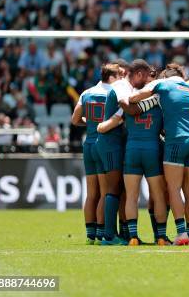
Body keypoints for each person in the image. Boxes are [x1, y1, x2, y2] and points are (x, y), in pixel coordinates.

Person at [129, 63, 189, 246]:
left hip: (175, 140)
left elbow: (134, 98)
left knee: (174, 188)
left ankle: (181, 233)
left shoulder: (162, 84)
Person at [99, 66, 170, 246]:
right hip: (152, 149)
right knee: (159, 195)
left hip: (132, 150)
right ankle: (161, 236)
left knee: (131, 196)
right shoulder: (160, 104)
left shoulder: (130, 104)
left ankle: (132, 236)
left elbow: (120, 119)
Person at [96, 60, 152, 245]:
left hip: (116, 141)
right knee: (113, 188)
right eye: (144, 77)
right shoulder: (121, 85)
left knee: (119, 189)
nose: (144, 82)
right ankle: (109, 236)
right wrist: (113, 122)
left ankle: (122, 233)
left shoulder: (128, 87)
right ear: (138, 74)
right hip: (110, 142)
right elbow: (123, 103)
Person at [70, 63, 120, 245]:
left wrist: (89, 123)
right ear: (112, 77)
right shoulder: (112, 93)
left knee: (91, 193)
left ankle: (90, 234)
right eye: (119, 76)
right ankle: (101, 232)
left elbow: (75, 119)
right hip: (103, 143)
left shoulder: (86, 92)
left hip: (88, 143)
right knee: (105, 192)